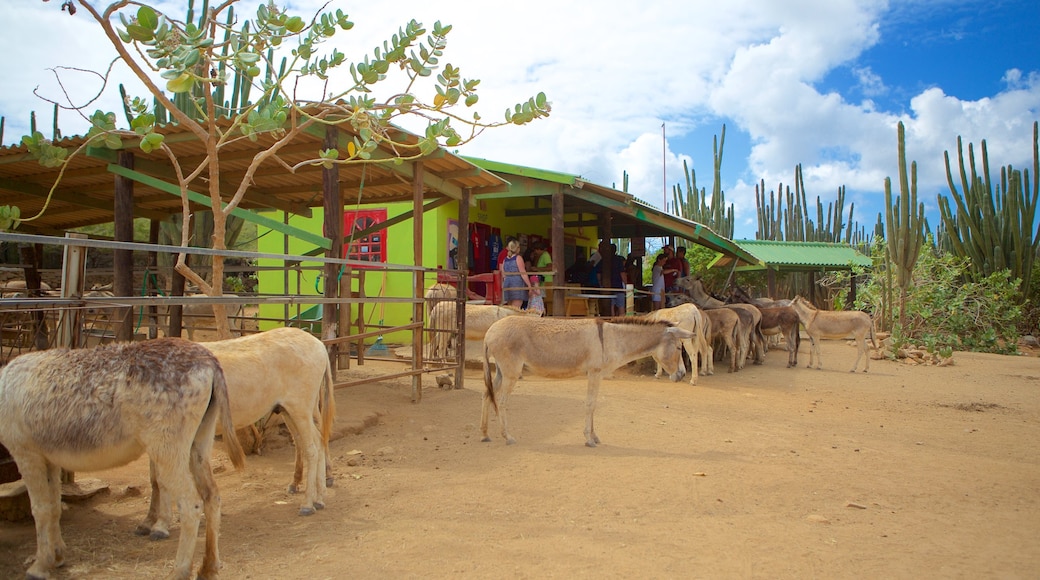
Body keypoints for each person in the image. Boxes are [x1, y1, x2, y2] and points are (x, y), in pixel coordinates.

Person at [500, 238, 533, 309]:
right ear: (517, 248)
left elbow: (503, 274)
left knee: (509, 307)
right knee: (516, 308)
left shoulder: (505, 259)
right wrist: (529, 285)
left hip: (507, 283)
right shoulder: (518, 258)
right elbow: (523, 273)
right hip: (517, 283)